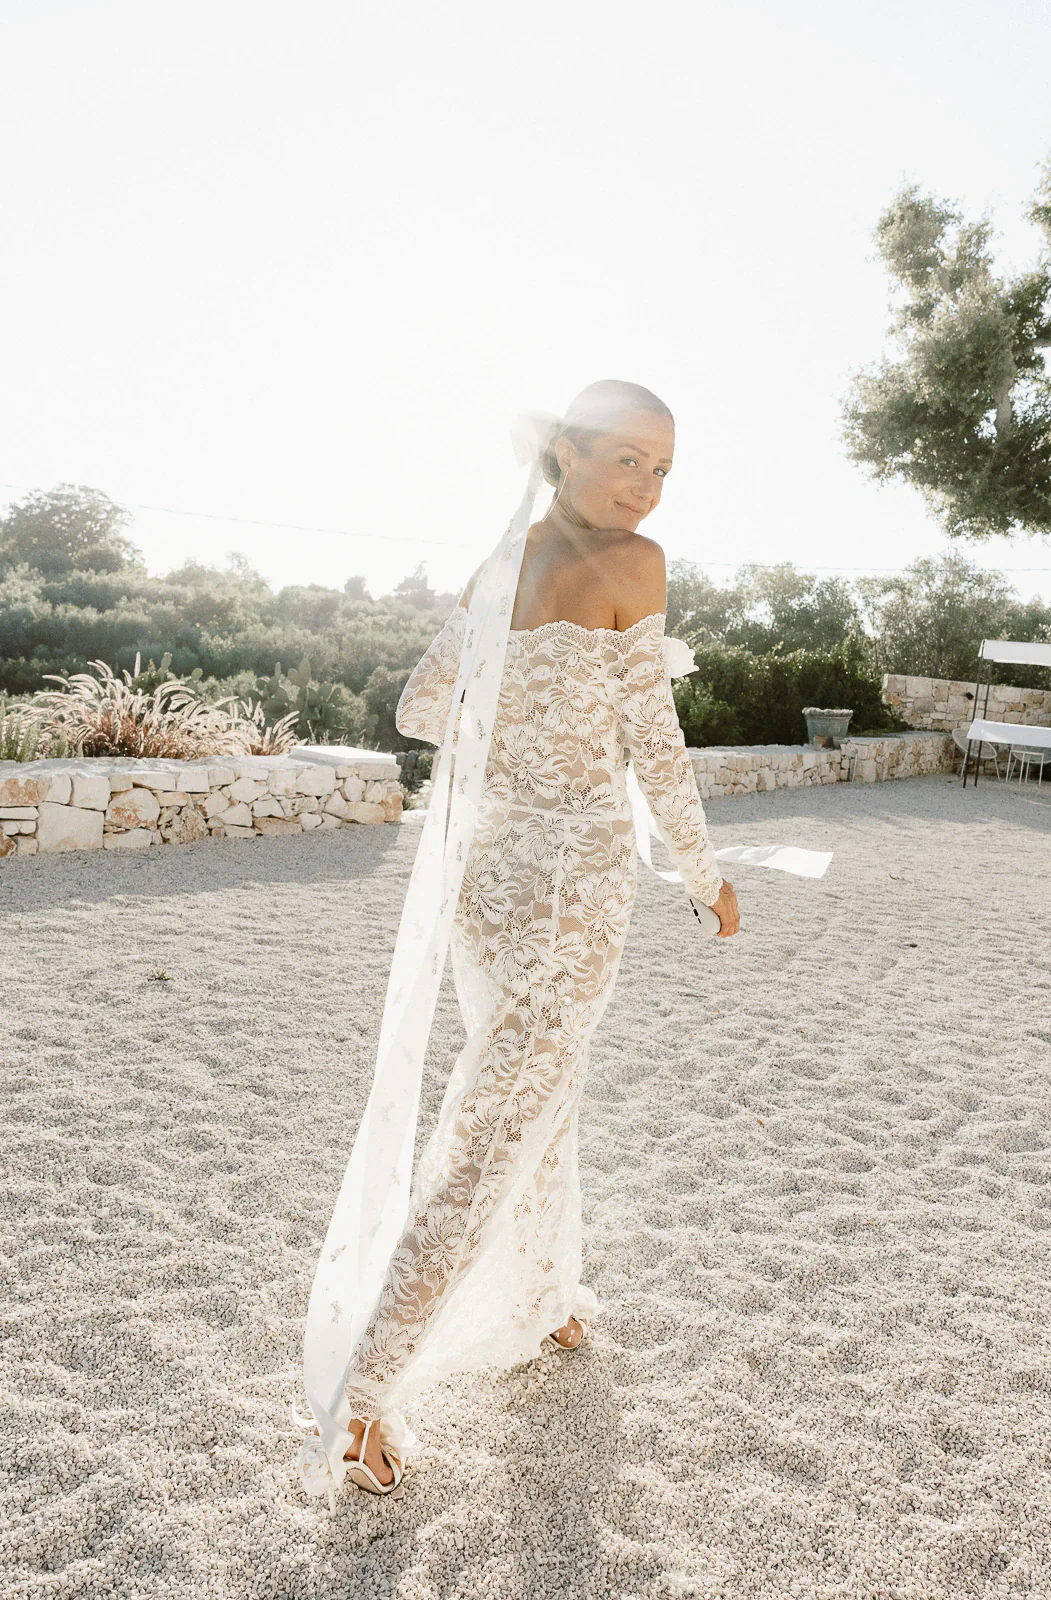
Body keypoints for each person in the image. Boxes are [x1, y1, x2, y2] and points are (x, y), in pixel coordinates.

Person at [298, 379, 740, 1501]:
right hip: (569, 884)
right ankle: (366, 1393)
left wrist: (524, 722)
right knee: (497, 1122)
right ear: (566, 449)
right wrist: (706, 874)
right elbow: (655, 737)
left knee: (541, 1088)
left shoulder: (502, 563)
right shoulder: (632, 568)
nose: (645, 488)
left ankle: (543, 1295)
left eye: (663, 471)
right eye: (628, 459)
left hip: (491, 881)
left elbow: (417, 704)